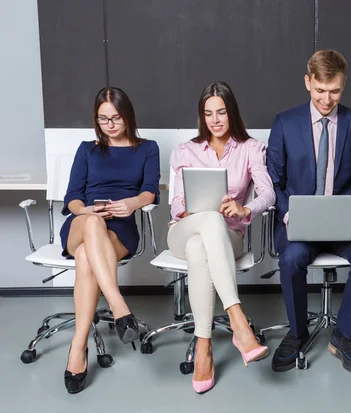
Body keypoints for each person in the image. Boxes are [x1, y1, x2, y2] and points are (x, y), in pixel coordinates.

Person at [267, 50, 351, 375]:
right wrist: (288, 214)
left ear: (343, 85)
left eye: (335, 91)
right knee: (291, 260)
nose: (327, 99)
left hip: (344, 228)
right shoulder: (285, 123)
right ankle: (298, 332)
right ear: (308, 82)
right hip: (299, 225)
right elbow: (273, 181)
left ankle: (343, 335)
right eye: (320, 90)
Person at [168, 81, 273, 393]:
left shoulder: (251, 148)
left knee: (205, 240)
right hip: (182, 232)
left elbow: (268, 193)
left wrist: (244, 209)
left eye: (221, 112)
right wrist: (185, 207)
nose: (215, 120)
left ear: (232, 113)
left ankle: (203, 348)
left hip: (229, 238)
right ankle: (238, 321)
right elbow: (174, 204)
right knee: (206, 222)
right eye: (208, 113)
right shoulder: (184, 151)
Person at [60, 87, 160, 393]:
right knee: (90, 223)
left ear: (127, 116)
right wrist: (87, 210)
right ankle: (120, 308)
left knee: (85, 258)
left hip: (121, 229)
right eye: (103, 119)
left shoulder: (147, 148)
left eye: (116, 118)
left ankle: (78, 349)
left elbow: (150, 190)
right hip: (81, 224)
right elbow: (72, 198)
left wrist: (131, 203)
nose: (110, 125)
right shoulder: (87, 149)